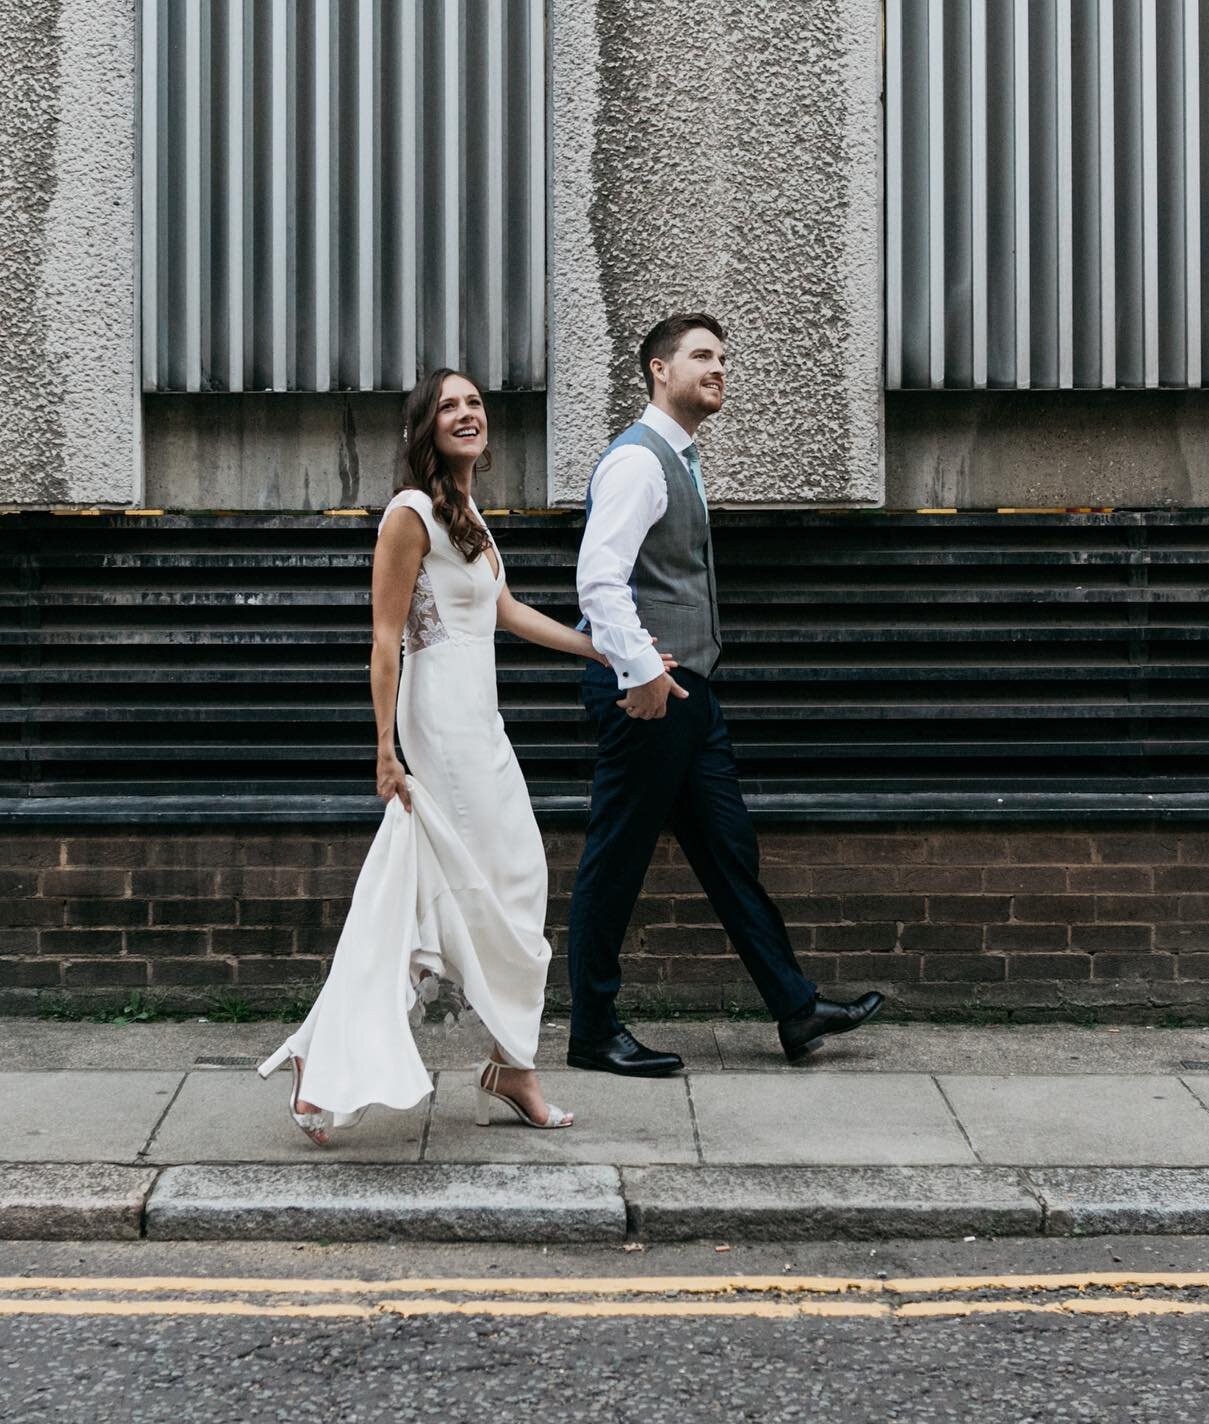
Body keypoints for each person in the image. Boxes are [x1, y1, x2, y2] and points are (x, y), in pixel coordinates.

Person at [259, 369, 666, 1142]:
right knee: (507, 881)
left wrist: (614, 653)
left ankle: (350, 1054)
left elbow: (506, 611)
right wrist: (383, 750)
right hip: (439, 719)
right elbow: (384, 641)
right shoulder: (411, 513)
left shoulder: (466, 510)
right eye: (448, 405)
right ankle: (508, 1064)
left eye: (474, 401)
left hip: (480, 716)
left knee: (442, 888)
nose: (466, 412)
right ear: (426, 427)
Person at [566, 312, 884, 1077]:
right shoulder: (639, 462)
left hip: (689, 695)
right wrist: (642, 672)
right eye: (702, 356)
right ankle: (592, 1031)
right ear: (657, 370)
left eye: (723, 358)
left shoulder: (678, 457)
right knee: (616, 860)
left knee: (728, 851)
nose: (719, 368)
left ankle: (796, 1007)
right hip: (649, 695)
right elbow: (598, 581)